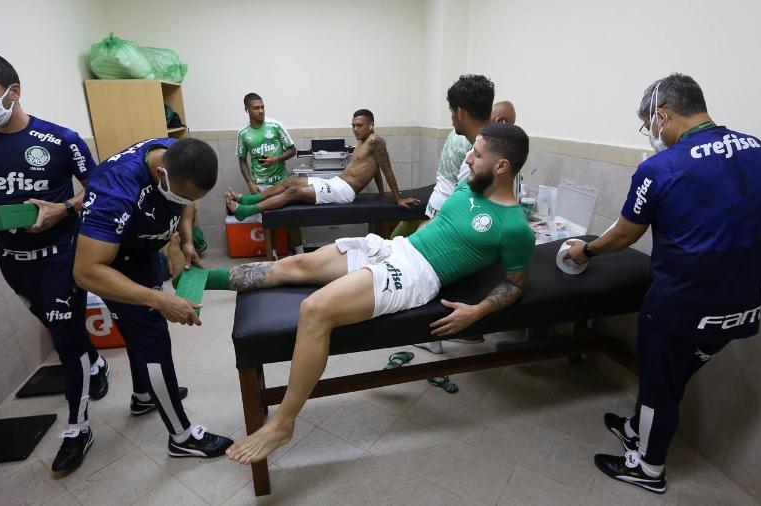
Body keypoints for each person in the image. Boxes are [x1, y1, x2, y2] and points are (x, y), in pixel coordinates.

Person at [179, 122, 534, 464]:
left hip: (416, 275)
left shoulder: (514, 226)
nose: (469, 158)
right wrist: (396, 237)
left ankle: (283, 423)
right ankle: (200, 281)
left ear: (502, 166)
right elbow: (436, 224)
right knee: (292, 266)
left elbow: (514, 285)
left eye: (478, 154)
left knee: (315, 309)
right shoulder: (468, 185)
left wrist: (477, 312)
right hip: (398, 248)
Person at [564, 73, 761, 494]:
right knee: (673, 375)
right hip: (740, 305)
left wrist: (585, 251)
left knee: (659, 383)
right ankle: (635, 429)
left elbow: (626, 233)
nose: (651, 135)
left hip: (680, 303)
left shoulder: (660, 168)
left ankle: (648, 467)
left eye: (649, 125)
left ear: (663, 115)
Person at [0, 52, 109, 473]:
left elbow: (96, 188)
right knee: (58, 326)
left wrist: (64, 209)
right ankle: (95, 361)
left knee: (66, 338)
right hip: (12, 261)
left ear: (12, 92)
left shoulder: (61, 139)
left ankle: (78, 429)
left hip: (61, 257)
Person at [73, 137, 233, 458]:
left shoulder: (177, 153)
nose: (187, 200)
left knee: (141, 333)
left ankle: (144, 395)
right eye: (183, 194)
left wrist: (186, 239)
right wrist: (159, 300)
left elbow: (188, 200)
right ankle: (182, 437)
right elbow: (87, 271)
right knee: (153, 339)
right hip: (113, 264)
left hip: (143, 250)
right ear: (162, 174)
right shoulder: (114, 189)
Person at [412, 81, 509, 354]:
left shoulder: (479, 156)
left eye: (452, 111)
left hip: (453, 226)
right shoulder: (480, 148)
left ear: (461, 112)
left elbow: (469, 212)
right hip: (452, 219)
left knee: (436, 277)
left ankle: (436, 333)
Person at [225, 109, 419, 220]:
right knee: (291, 181)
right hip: (337, 183)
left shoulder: (376, 141)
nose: (355, 129)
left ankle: (247, 210)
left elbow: (386, 169)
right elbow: (375, 169)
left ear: (371, 124)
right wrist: (381, 194)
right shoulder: (363, 143)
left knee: (293, 193)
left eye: (359, 125)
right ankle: (250, 200)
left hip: (345, 192)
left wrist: (397, 198)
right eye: (353, 125)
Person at [236, 93, 297, 194]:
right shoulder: (243, 133)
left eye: (262, 107)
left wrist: (276, 159)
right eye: (256, 108)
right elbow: (242, 160)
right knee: (263, 210)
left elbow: (292, 150)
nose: (261, 111)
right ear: (247, 110)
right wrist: (250, 183)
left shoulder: (275, 125)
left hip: (281, 182)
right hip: (259, 185)